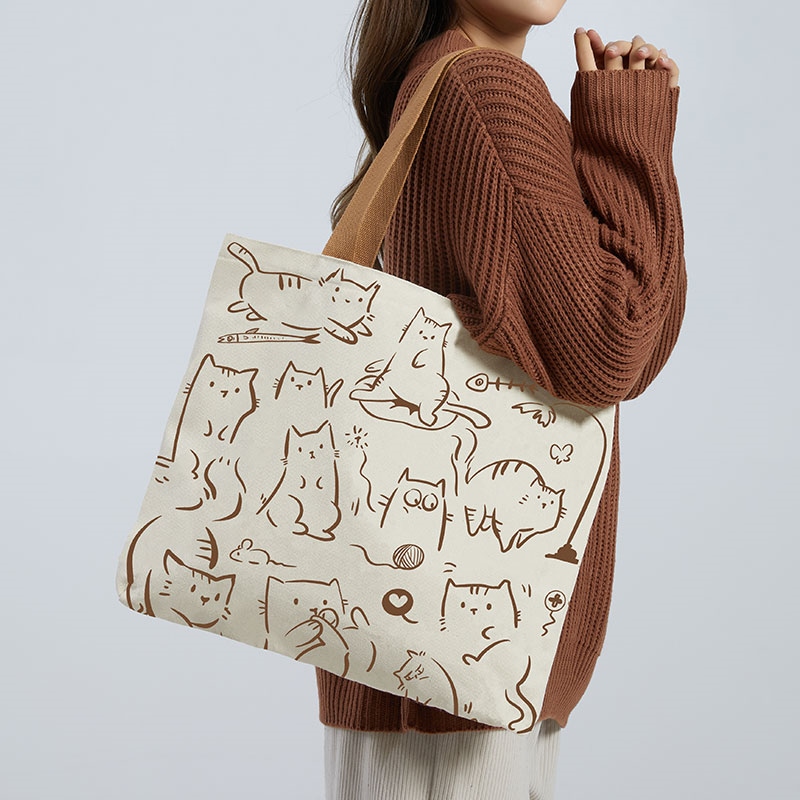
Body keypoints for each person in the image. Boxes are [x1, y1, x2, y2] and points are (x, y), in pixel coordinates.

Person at [320, 1, 685, 798]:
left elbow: (627, 350)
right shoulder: (488, 90)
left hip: (418, 648)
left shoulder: (440, 80)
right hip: (470, 654)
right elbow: (611, 347)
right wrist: (630, 140)